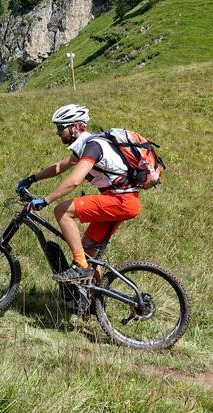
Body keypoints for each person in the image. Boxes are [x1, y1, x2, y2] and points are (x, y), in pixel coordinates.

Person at [15, 104, 141, 283]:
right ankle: (94, 302)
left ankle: (80, 266)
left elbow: (74, 180)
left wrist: (45, 200)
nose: (57, 133)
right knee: (89, 253)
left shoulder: (94, 147)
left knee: (61, 211)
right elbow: (59, 167)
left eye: (60, 128)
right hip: (120, 200)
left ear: (75, 126)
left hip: (120, 200)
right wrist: (30, 179)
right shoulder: (86, 146)